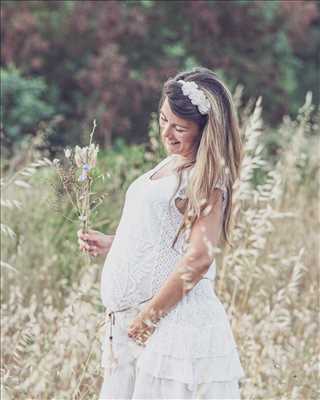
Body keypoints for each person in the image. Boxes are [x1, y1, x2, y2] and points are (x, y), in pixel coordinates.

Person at [78, 66, 246, 399]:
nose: (166, 133)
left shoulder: (206, 176)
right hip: (133, 326)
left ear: (204, 131)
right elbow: (164, 236)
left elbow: (199, 257)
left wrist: (149, 317)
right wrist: (116, 244)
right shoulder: (168, 164)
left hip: (172, 326)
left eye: (179, 127)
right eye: (162, 119)